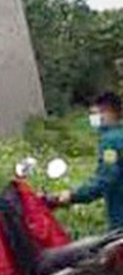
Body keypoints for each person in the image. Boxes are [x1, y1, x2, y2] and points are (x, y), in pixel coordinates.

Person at [53, 92, 123, 230]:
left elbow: (107, 177)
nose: (93, 119)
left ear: (109, 112)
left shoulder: (111, 142)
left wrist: (73, 195)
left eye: (96, 113)